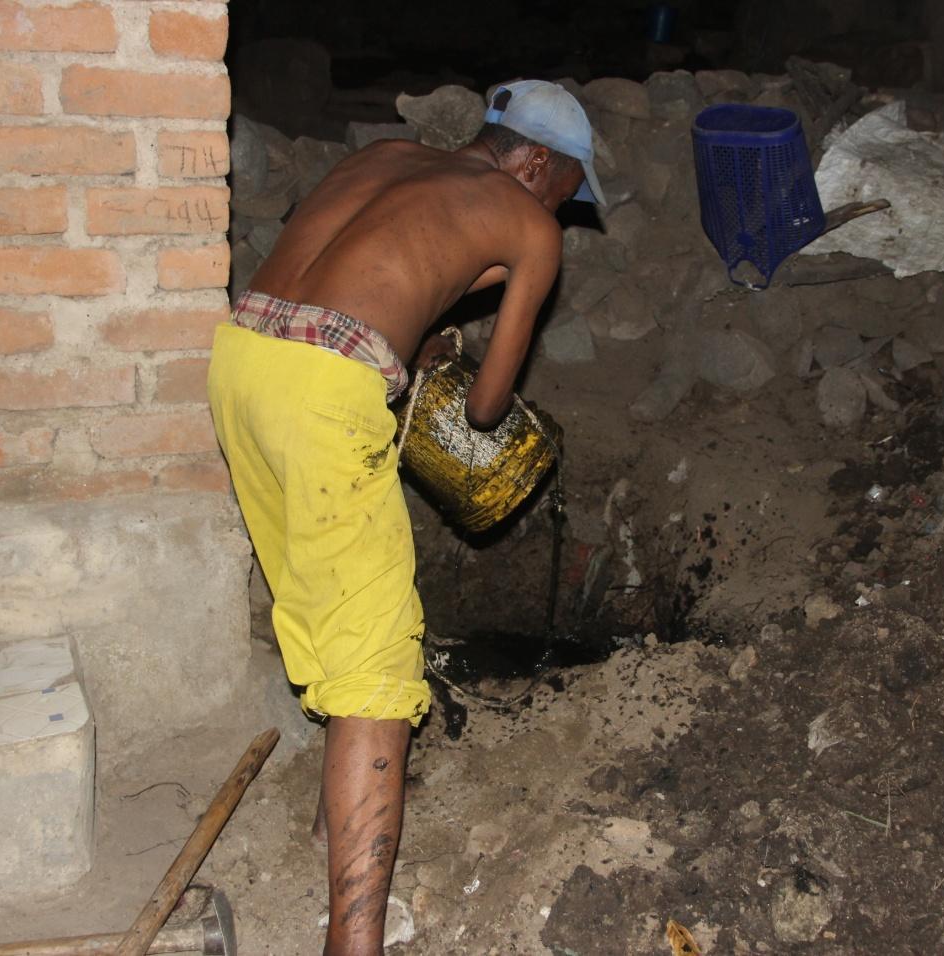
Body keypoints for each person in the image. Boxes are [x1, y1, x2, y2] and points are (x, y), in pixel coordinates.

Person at [207, 80, 603, 955]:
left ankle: (330, 828)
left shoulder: (385, 158)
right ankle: (357, 947)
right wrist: (452, 374)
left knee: (322, 605)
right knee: (382, 664)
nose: (563, 215)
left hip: (242, 361)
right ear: (534, 160)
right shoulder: (529, 224)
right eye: (568, 190)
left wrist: (419, 338)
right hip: (325, 396)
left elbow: (351, 279)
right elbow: (493, 408)